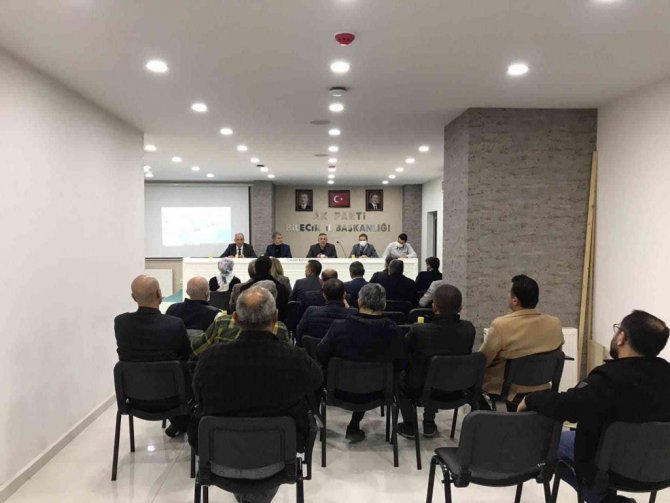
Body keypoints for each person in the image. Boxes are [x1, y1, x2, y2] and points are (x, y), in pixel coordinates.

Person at [518, 310, 670, 503]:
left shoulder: (607, 378)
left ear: (622, 338)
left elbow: (567, 406)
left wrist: (530, 400)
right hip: (658, 469)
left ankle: (602, 499)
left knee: (552, 442)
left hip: (610, 469)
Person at [189, 287, 323, 503]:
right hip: (278, 461)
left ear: (235, 318)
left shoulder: (210, 359)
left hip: (218, 459)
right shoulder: (295, 359)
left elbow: (198, 395)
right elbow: (316, 381)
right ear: (275, 317)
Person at [316, 284, 404, 442]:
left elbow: (321, 354)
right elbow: (400, 364)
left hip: (338, 391)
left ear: (359, 301)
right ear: (384, 304)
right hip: (380, 392)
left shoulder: (339, 327)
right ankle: (354, 424)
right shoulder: (394, 331)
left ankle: (310, 423)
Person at [114, 275, 191, 437]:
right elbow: (185, 355)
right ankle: (184, 424)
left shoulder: (121, 323)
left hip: (134, 398)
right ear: (159, 294)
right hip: (173, 397)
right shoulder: (174, 324)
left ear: (133, 297)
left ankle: (179, 424)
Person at [396, 284, 476, 439]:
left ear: (433, 307)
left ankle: (409, 424)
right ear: (460, 308)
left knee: (400, 379)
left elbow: (403, 354)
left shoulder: (419, 331)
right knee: (436, 373)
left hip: (421, 390)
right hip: (458, 388)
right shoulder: (469, 329)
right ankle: (428, 421)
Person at [480, 274, 564, 407]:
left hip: (507, 392)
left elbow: (482, 361)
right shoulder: (555, 323)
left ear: (515, 301)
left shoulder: (501, 325)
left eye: (509, 293)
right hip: (543, 389)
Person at [191, 281, 291, 356]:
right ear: (275, 316)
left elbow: (196, 350)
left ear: (235, 317)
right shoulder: (280, 329)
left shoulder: (222, 322)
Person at [295, 279, 353, 346]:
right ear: (344, 295)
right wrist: (350, 309)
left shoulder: (311, 311)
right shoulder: (352, 314)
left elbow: (299, 330)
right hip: (342, 351)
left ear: (324, 295)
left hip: (313, 350)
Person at [238, 256, 289, 322]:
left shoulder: (244, 289)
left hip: (249, 324)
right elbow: (284, 312)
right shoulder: (281, 288)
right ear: (270, 269)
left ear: (255, 269)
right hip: (275, 324)